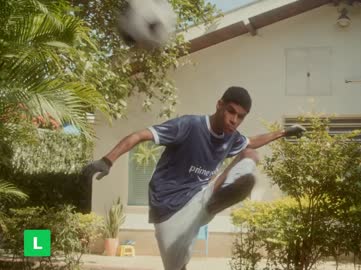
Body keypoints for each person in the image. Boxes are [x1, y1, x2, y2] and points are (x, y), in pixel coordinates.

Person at [82, 86, 305, 270]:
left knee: (250, 154)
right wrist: (107, 160)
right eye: (230, 112)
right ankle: (214, 201)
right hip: (167, 210)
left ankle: (219, 199)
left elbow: (253, 141)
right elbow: (140, 135)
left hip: (200, 199)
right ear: (219, 105)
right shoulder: (188, 126)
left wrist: (283, 133)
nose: (233, 121)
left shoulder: (232, 138)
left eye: (240, 117)